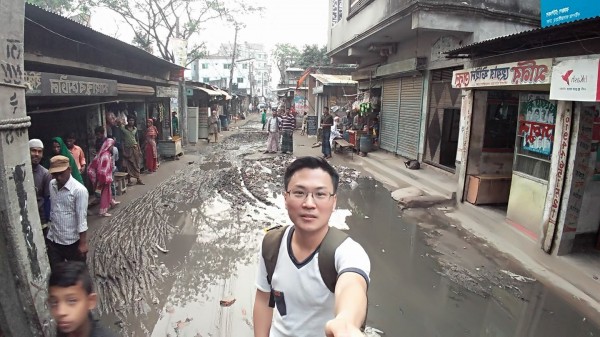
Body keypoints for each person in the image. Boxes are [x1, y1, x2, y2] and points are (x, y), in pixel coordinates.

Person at [253, 157, 370, 337]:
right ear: (286, 198)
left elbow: (352, 285)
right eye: (299, 193)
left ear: (334, 201)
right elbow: (263, 299)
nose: (309, 203)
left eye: (320, 194)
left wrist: (346, 322)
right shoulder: (272, 244)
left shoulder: (348, 252)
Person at [48, 261, 117, 337]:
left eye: (72, 301)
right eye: (54, 302)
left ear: (91, 301)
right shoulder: (65, 330)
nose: (60, 312)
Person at [46, 156, 89, 270]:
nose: (58, 177)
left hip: (72, 242)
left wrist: (83, 243)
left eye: (61, 173)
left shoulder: (79, 191)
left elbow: (82, 218)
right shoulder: (52, 184)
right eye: (55, 174)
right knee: (57, 273)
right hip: (54, 239)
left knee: (78, 274)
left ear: (69, 169)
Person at [88, 138, 120, 217]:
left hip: (102, 176)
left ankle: (111, 202)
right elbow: (102, 170)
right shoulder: (105, 155)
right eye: (112, 145)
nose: (113, 147)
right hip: (102, 177)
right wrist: (105, 179)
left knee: (107, 190)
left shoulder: (105, 153)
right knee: (104, 193)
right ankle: (103, 211)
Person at [30, 139, 52, 235]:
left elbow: (47, 199)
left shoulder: (45, 174)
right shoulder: (18, 171)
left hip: (40, 219)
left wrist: (46, 221)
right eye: (34, 150)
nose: (37, 154)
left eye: (40, 152)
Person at [117, 116, 144, 186]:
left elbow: (137, 140)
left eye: (133, 120)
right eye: (130, 120)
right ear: (128, 121)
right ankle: (129, 180)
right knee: (128, 165)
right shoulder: (123, 129)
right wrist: (123, 151)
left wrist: (139, 149)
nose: (131, 122)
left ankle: (138, 179)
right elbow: (122, 141)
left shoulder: (135, 129)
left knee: (137, 164)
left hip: (135, 148)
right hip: (127, 149)